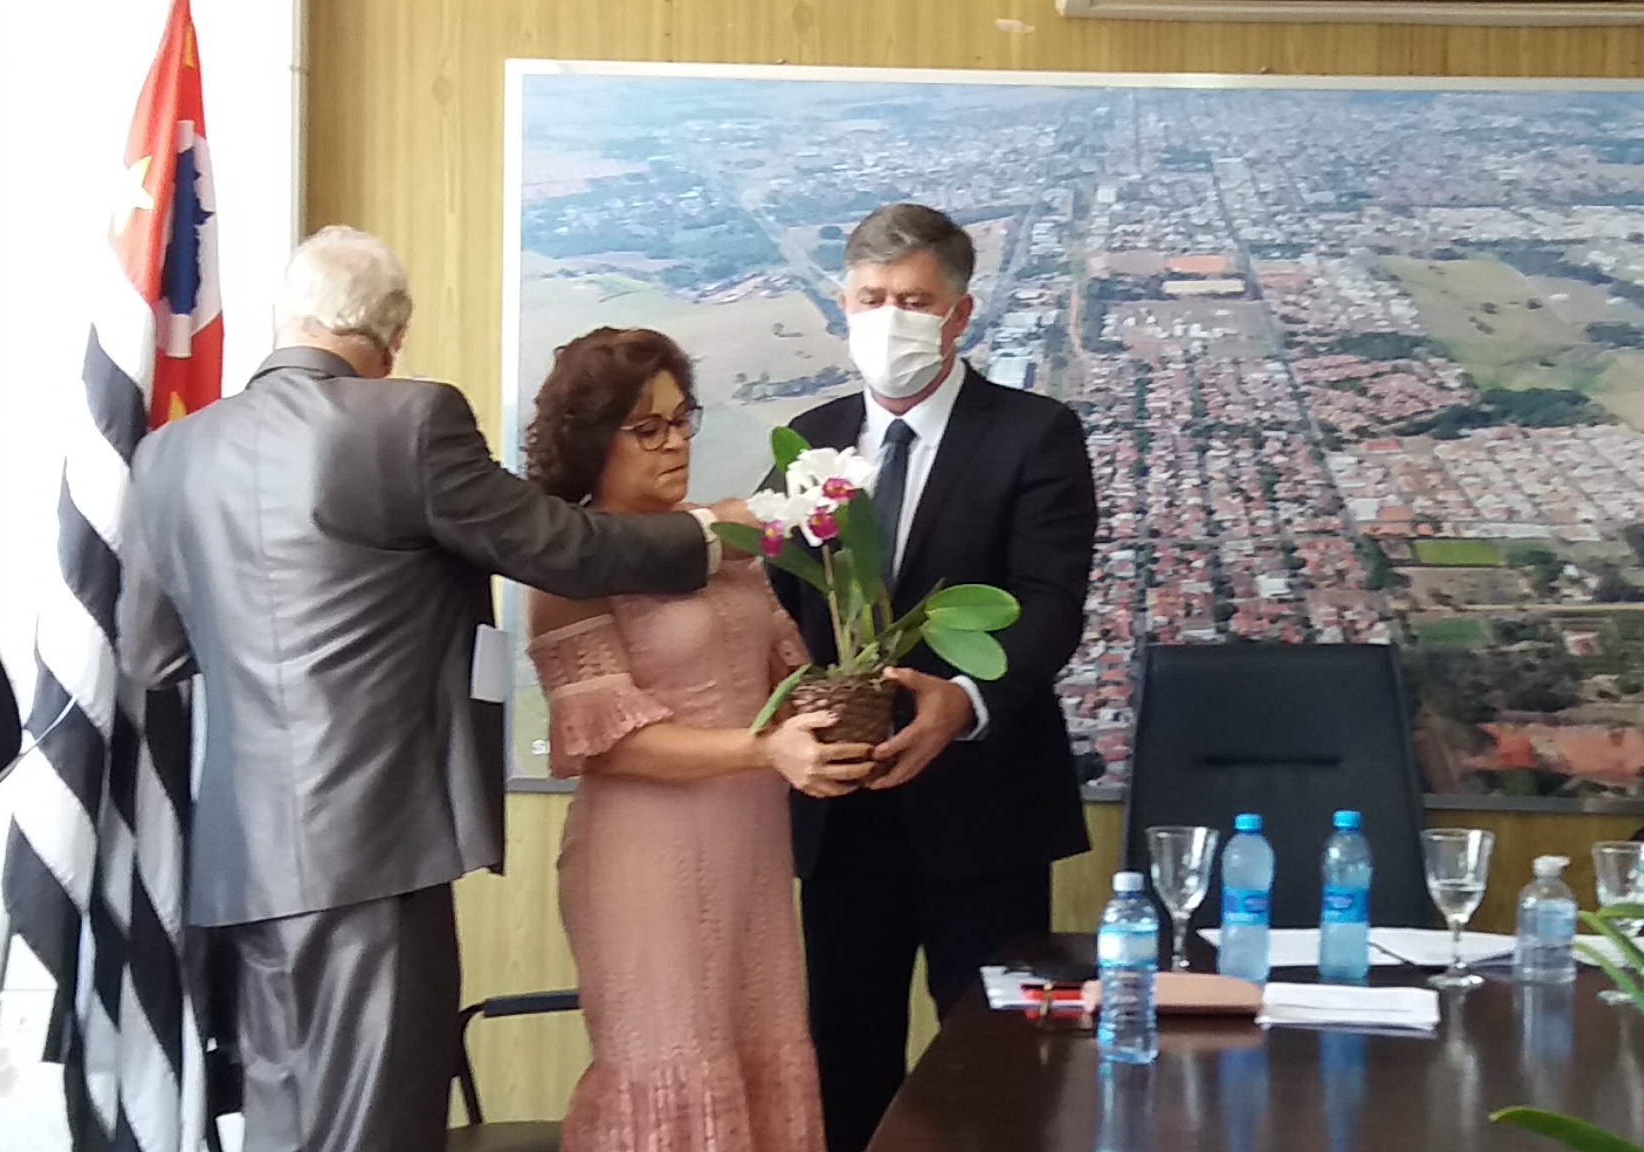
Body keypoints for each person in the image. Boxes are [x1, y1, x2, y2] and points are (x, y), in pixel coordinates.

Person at [117, 228, 752, 1152]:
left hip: (241, 855)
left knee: (282, 1127)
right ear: (395, 335)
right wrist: (713, 534)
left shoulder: (169, 453)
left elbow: (152, 654)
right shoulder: (410, 420)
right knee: (379, 1127)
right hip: (376, 845)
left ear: (286, 317)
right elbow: (564, 549)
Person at [772, 203, 1099, 1152]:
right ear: (843, 304)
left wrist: (963, 702)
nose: (888, 318)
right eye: (870, 297)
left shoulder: (1035, 434)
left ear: (959, 314)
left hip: (984, 817)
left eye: (912, 301)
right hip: (843, 817)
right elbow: (782, 612)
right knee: (846, 1075)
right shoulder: (808, 441)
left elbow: (1050, 604)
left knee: (993, 1084)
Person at [525, 327, 870, 1152]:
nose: (675, 442)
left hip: (750, 847)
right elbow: (609, 743)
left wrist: (864, 685)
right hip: (643, 856)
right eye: (647, 428)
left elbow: (787, 675)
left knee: (761, 1060)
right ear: (592, 440)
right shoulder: (570, 563)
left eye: (683, 420)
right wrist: (764, 752)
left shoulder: (724, 541)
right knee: (668, 1076)